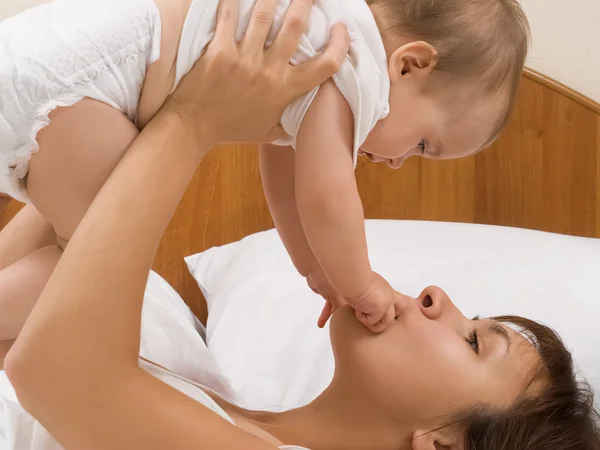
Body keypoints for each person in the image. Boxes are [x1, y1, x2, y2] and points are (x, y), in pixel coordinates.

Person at [2, 1, 600, 448]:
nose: (435, 295)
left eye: (474, 341)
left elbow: (51, 369)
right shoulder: (204, 374)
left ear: (441, 444)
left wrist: (191, 121)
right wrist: (140, 100)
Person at [0, 0, 530, 335]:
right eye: (421, 144)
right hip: (80, 87)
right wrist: (361, 283)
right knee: (93, 271)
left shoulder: (318, 39)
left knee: (88, 251)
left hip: (48, 60)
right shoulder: (347, 67)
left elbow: (285, 174)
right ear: (409, 64)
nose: (396, 163)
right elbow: (326, 196)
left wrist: (316, 271)